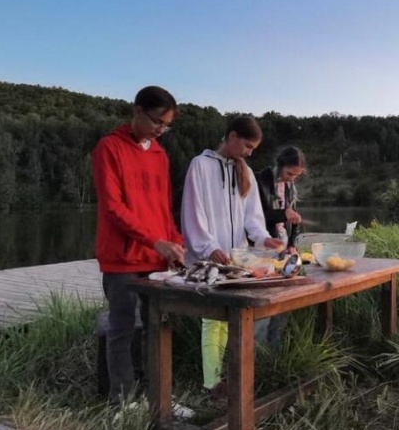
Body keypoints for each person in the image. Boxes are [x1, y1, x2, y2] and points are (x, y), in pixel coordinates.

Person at [91, 86, 187, 409]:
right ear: (137, 111)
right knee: (123, 329)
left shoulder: (160, 154)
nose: (161, 130)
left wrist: (175, 242)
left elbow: (164, 207)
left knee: (158, 329)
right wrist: (155, 241)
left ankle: (159, 399)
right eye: (157, 121)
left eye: (166, 125)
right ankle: (123, 404)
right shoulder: (109, 148)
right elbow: (114, 208)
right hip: (122, 259)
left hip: (156, 258)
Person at [180, 115, 284, 402]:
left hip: (235, 259)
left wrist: (264, 239)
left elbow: (253, 218)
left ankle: (222, 377)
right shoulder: (200, 165)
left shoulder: (246, 172)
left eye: (253, 148)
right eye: (248, 145)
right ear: (232, 136)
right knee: (211, 320)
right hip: (208, 258)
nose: (250, 152)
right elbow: (192, 210)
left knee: (227, 319)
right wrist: (206, 246)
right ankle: (212, 383)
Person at [254, 146, 306, 344]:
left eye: (297, 176)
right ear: (280, 165)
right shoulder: (260, 181)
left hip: (285, 252)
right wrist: (281, 214)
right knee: (262, 305)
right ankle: (257, 353)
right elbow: (253, 219)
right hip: (262, 252)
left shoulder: (291, 187)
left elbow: (294, 222)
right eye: (289, 173)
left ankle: (275, 352)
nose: (292, 178)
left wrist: (293, 244)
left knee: (283, 303)